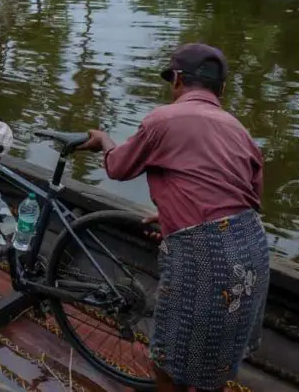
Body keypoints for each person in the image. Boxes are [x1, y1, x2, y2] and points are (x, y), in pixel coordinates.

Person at [80, 43, 267, 392]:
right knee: (218, 361)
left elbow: (118, 167)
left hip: (205, 251)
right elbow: (246, 199)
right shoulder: (241, 132)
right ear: (221, 89)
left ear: (178, 80)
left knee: (167, 365)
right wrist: (172, 216)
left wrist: (104, 140)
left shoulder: (163, 119)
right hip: (251, 245)